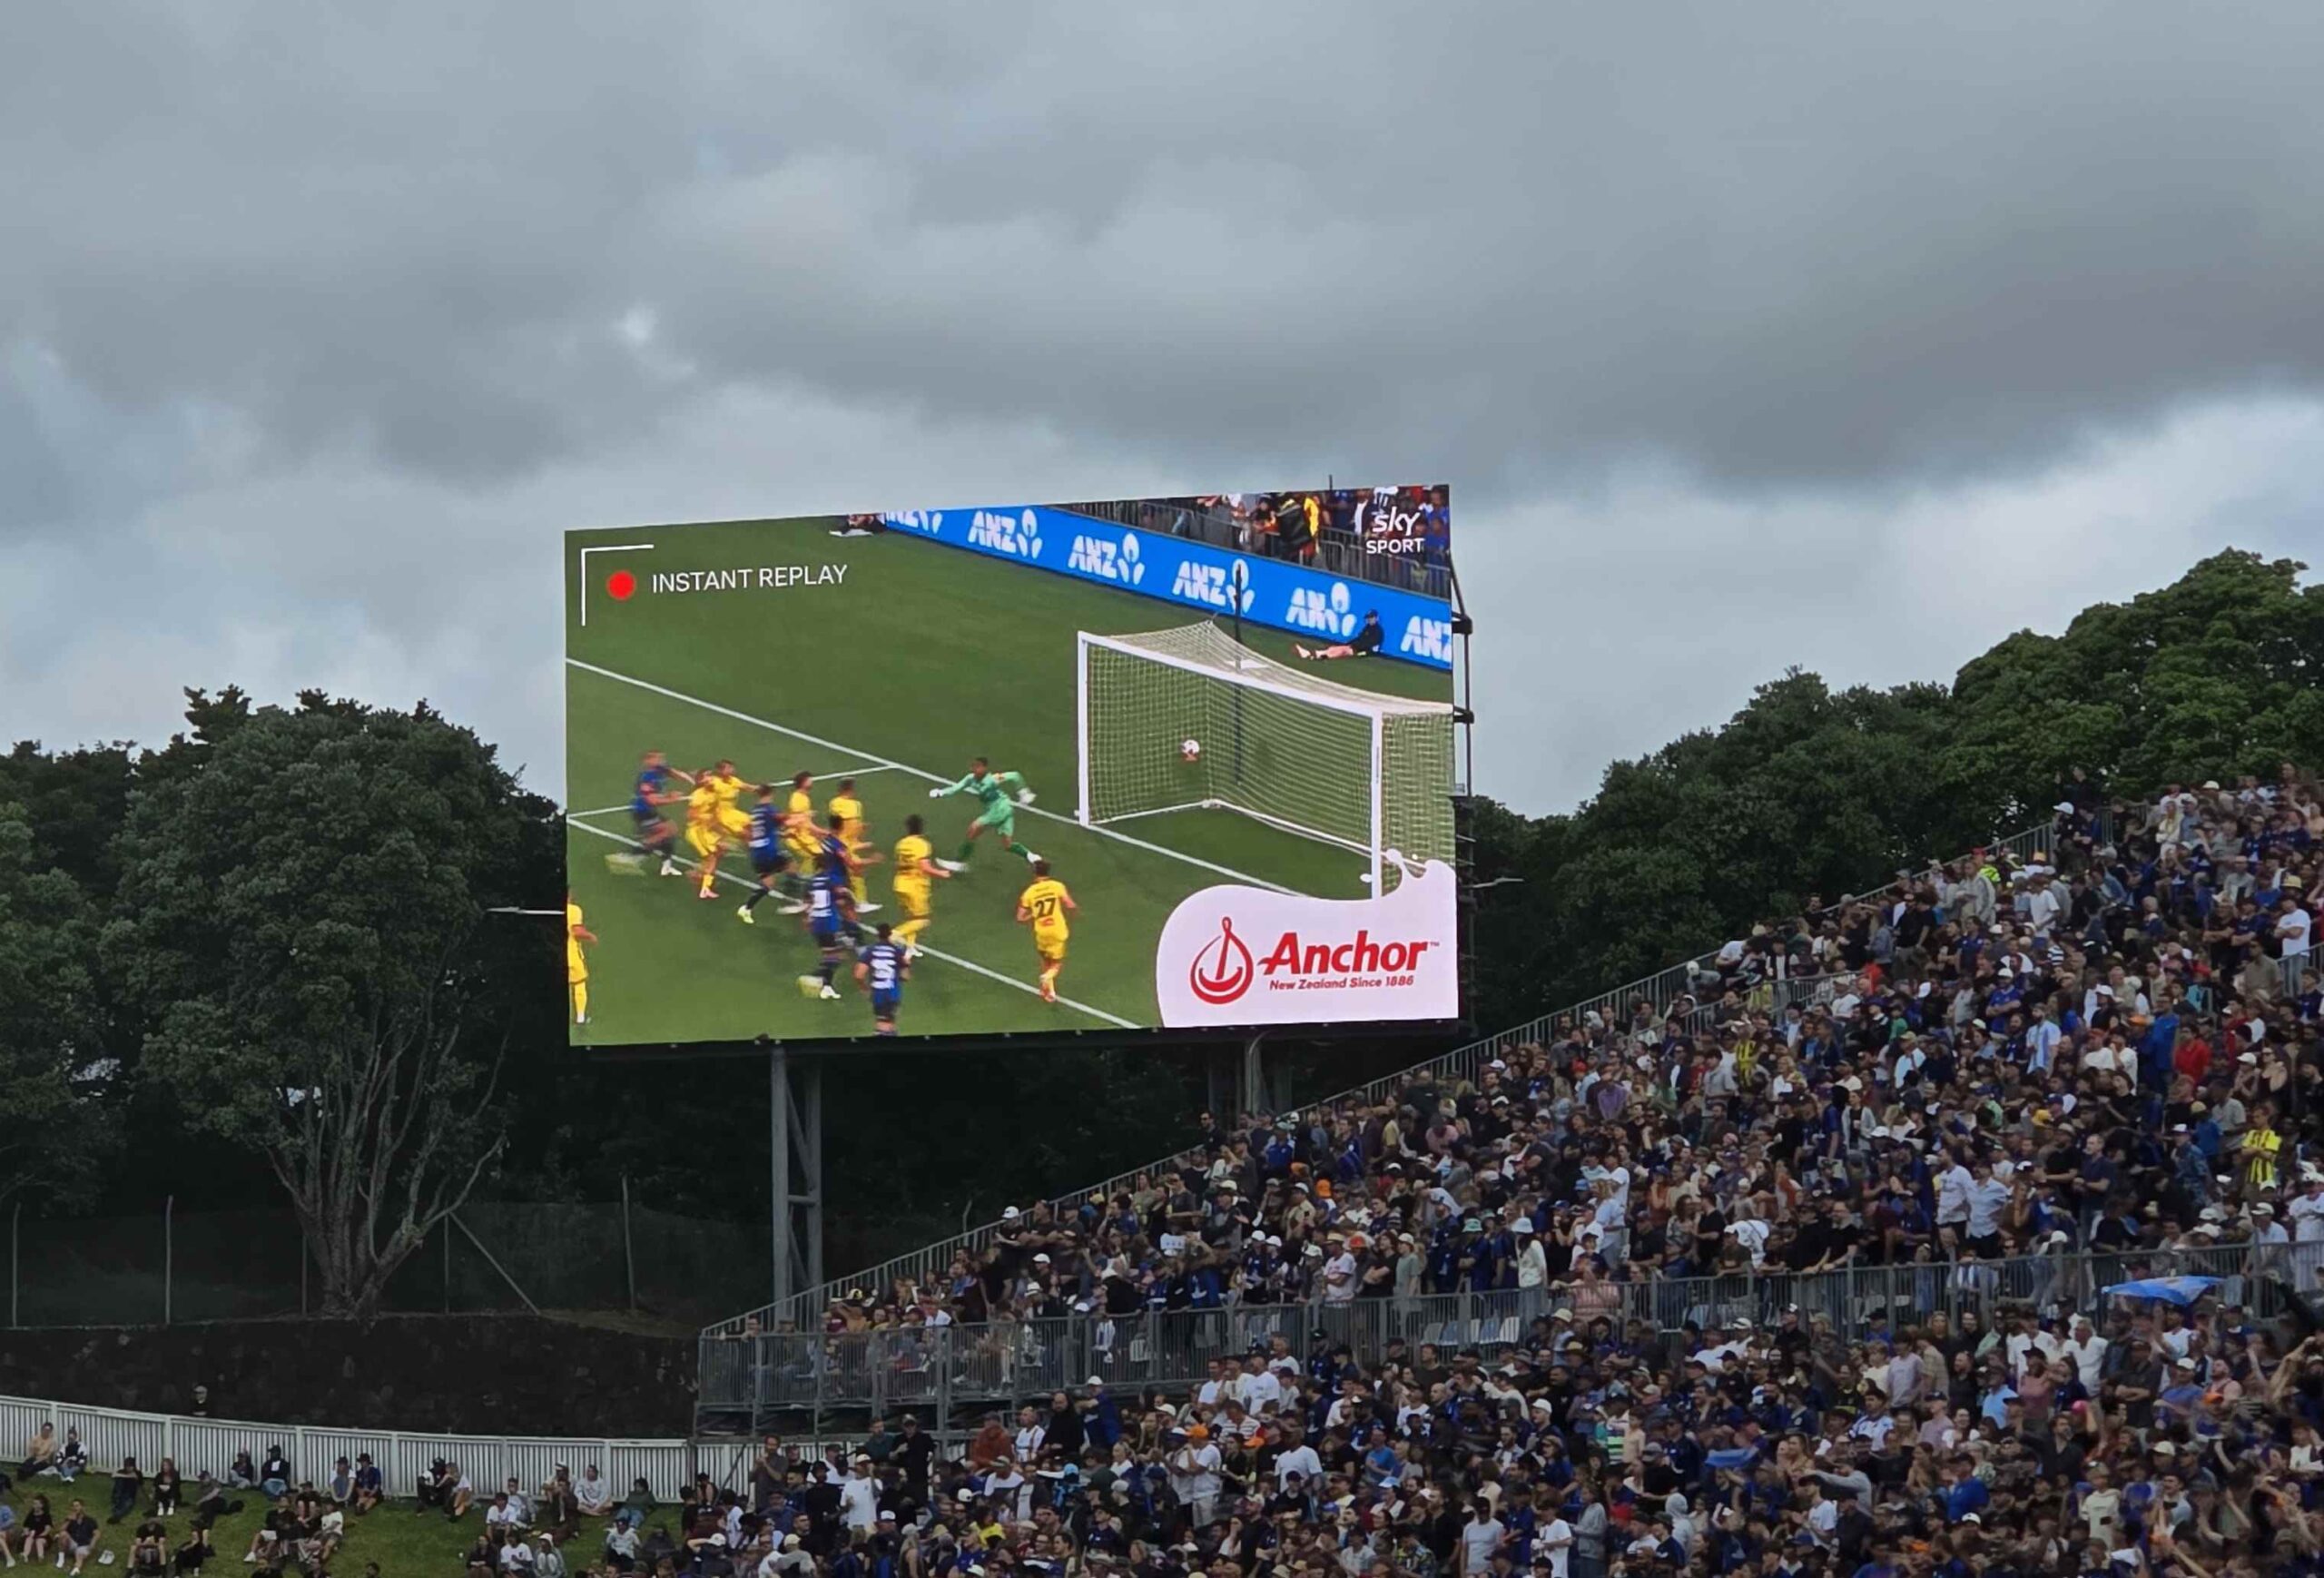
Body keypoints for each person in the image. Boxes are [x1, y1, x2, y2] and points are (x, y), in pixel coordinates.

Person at [928, 758, 1039, 871]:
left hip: (1000, 808)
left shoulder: (992, 779)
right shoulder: (970, 779)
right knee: (1008, 845)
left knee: (973, 828)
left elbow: (1015, 775)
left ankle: (960, 863)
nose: (975, 769)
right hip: (1001, 809)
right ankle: (1032, 857)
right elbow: (956, 788)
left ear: (985, 768)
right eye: (974, 766)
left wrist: (1024, 793)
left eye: (978, 767)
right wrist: (941, 792)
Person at [735, 784, 801, 924]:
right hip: (767, 852)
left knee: (768, 885)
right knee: (791, 865)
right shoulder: (768, 809)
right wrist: (800, 817)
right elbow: (781, 819)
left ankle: (746, 908)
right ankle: (790, 903)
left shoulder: (755, 812)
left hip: (758, 853)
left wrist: (783, 834)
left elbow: (762, 829)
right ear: (770, 794)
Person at [1016, 858, 1077, 1004]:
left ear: (1034, 873)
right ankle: (1047, 978)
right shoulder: (1057, 886)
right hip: (1057, 929)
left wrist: (1033, 915)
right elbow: (1070, 905)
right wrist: (1074, 913)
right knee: (1056, 963)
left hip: (1042, 931)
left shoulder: (1029, 892)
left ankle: (1048, 991)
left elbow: (1020, 917)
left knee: (1044, 959)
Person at [793, 863, 857, 1002]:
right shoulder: (831, 880)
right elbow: (842, 897)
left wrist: (806, 920)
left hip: (816, 923)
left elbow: (806, 903)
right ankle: (817, 977)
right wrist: (852, 904)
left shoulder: (811, 883)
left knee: (831, 954)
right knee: (838, 956)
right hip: (829, 922)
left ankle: (827, 986)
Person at [624, 750, 686, 876]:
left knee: (671, 830)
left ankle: (666, 865)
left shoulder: (661, 771)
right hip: (642, 811)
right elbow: (652, 800)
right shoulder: (646, 778)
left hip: (650, 810)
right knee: (668, 831)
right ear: (647, 762)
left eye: (662, 758)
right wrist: (671, 799)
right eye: (657, 759)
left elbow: (679, 776)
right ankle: (636, 853)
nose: (661, 761)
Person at [826, 777, 880, 913]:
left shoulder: (833, 803)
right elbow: (853, 828)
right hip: (847, 844)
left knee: (834, 870)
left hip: (834, 840)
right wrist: (862, 831)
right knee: (856, 872)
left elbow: (841, 823)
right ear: (850, 790)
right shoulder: (856, 805)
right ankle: (861, 902)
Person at [854, 922, 911, 1036]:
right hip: (892, 993)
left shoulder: (870, 951)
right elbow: (905, 976)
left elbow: (859, 975)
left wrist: (864, 989)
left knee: (884, 1024)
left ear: (877, 935)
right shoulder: (897, 951)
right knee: (887, 1025)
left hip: (877, 993)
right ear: (890, 934)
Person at [683, 767, 726, 900]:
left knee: (720, 851)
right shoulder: (698, 795)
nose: (711, 778)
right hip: (697, 831)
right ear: (701, 781)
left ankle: (699, 874)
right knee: (711, 858)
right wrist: (705, 817)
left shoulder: (714, 791)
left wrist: (716, 824)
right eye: (706, 777)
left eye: (711, 775)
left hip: (706, 830)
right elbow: (689, 815)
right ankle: (705, 889)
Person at [1294, 609, 1384, 662]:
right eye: (1368, 618)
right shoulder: (1367, 628)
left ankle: (1313, 654)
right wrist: (1349, 644)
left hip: (1363, 652)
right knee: (1334, 649)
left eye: (1371, 618)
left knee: (1341, 650)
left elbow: (1371, 648)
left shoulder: (1378, 631)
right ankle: (1315, 655)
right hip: (1355, 648)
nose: (1369, 620)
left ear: (1376, 618)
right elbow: (1360, 639)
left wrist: (1359, 652)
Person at [566, 891, 596, 1028]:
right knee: (579, 983)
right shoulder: (574, 910)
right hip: (571, 955)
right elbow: (577, 932)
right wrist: (590, 936)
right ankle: (580, 1018)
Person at [61, 1499, 99, 1576]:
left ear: (82, 1507)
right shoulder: (70, 1519)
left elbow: (97, 1533)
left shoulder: (90, 1521)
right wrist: (68, 1520)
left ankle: (76, 1569)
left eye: (77, 1506)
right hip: (72, 1544)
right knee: (63, 1534)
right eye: (73, 1506)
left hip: (83, 1545)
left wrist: (92, 1543)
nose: (75, 1508)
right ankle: (61, 1558)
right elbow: (61, 1530)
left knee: (80, 1554)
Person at [108, 1456, 143, 1524]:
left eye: (130, 1466)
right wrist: (126, 1476)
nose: (128, 1468)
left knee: (126, 1506)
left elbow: (137, 1479)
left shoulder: (138, 1473)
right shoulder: (121, 1471)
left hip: (130, 1495)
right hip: (120, 1493)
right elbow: (113, 1475)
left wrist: (126, 1476)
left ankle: (116, 1517)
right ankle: (116, 1512)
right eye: (127, 1466)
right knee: (120, 1481)